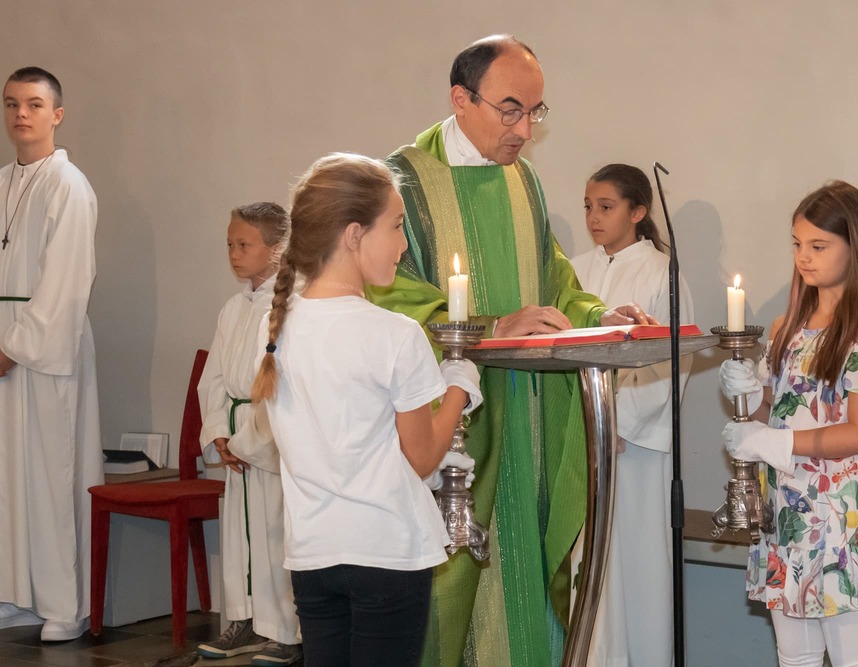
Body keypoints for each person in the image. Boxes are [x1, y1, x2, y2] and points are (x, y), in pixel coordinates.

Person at [371, 35, 651, 666]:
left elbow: (552, 277)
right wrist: (493, 325)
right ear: (460, 99)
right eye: (510, 110)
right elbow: (388, 298)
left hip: (528, 417)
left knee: (522, 571)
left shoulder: (523, 180)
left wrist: (598, 315)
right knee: (450, 585)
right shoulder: (403, 183)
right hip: (451, 418)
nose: (525, 129)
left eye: (535, 111)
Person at [251, 152, 483, 667]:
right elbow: (422, 457)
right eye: (396, 226)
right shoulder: (394, 333)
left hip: (313, 553)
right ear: (354, 234)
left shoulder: (273, 329)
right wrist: (460, 387)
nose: (404, 245)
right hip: (385, 550)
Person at [719, 181, 858, 667]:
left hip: (842, 513)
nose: (803, 257)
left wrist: (773, 442)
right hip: (790, 508)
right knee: (796, 656)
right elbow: (782, 411)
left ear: (855, 247)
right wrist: (751, 398)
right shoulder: (788, 325)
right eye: (797, 244)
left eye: (818, 245)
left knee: (852, 656)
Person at [570, 163, 694, 666]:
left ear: (638, 211)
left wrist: (616, 422)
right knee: (588, 564)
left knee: (636, 568)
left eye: (606, 206)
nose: (593, 217)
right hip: (581, 441)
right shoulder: (573, 270)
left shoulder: (661, 271)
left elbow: (669, 361)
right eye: (588, 206)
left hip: (633, 448)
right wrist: (585, 423)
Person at [0, 66, 101, 642]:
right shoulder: (2, 181)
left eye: (34, 104)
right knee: (9, 476)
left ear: (56, 115)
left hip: (43, 347)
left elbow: (67, 279)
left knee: (50, 472)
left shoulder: (68, 184)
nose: (21, 114)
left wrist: (13, 347)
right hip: (5, 342)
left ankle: (66, 604)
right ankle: (18, 595)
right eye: (11, 103)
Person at [196, 202, 301, 666]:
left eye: (244, 244)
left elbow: (286, 382)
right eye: (229, 245)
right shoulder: (232, 308)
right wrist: (220, 432)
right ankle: (243, 620)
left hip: (268, 436)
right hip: (236, 433)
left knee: (276, 533)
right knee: (240, 535)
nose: (234, 254)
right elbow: (214, 378)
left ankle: (286, 631)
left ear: (277, 249)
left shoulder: (294, 305)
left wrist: (246, 442)